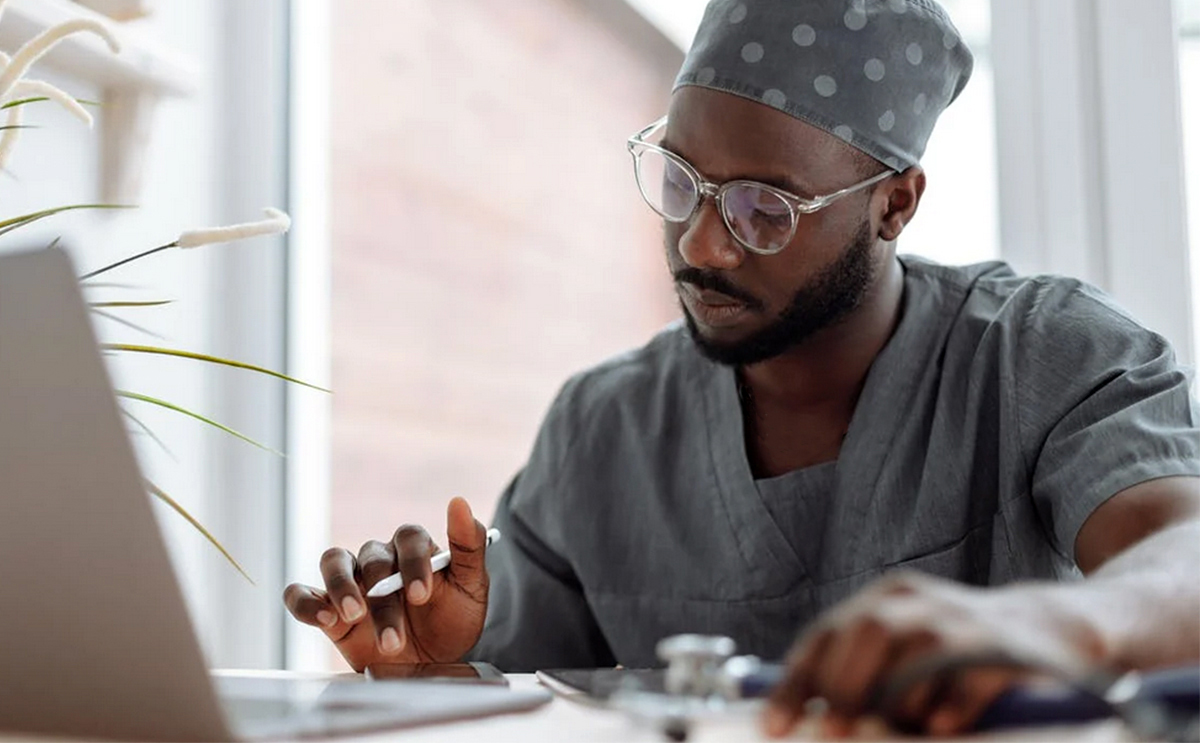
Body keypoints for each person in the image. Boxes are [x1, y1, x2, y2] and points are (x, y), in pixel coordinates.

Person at [285, 0, 1200, 735]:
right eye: (680, 180)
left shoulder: (1047, 356)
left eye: (768, 208)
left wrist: (1057, 625)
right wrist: (438, 665)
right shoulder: (605, 428)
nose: (704, 245)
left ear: (895, 204)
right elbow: (528, 687)